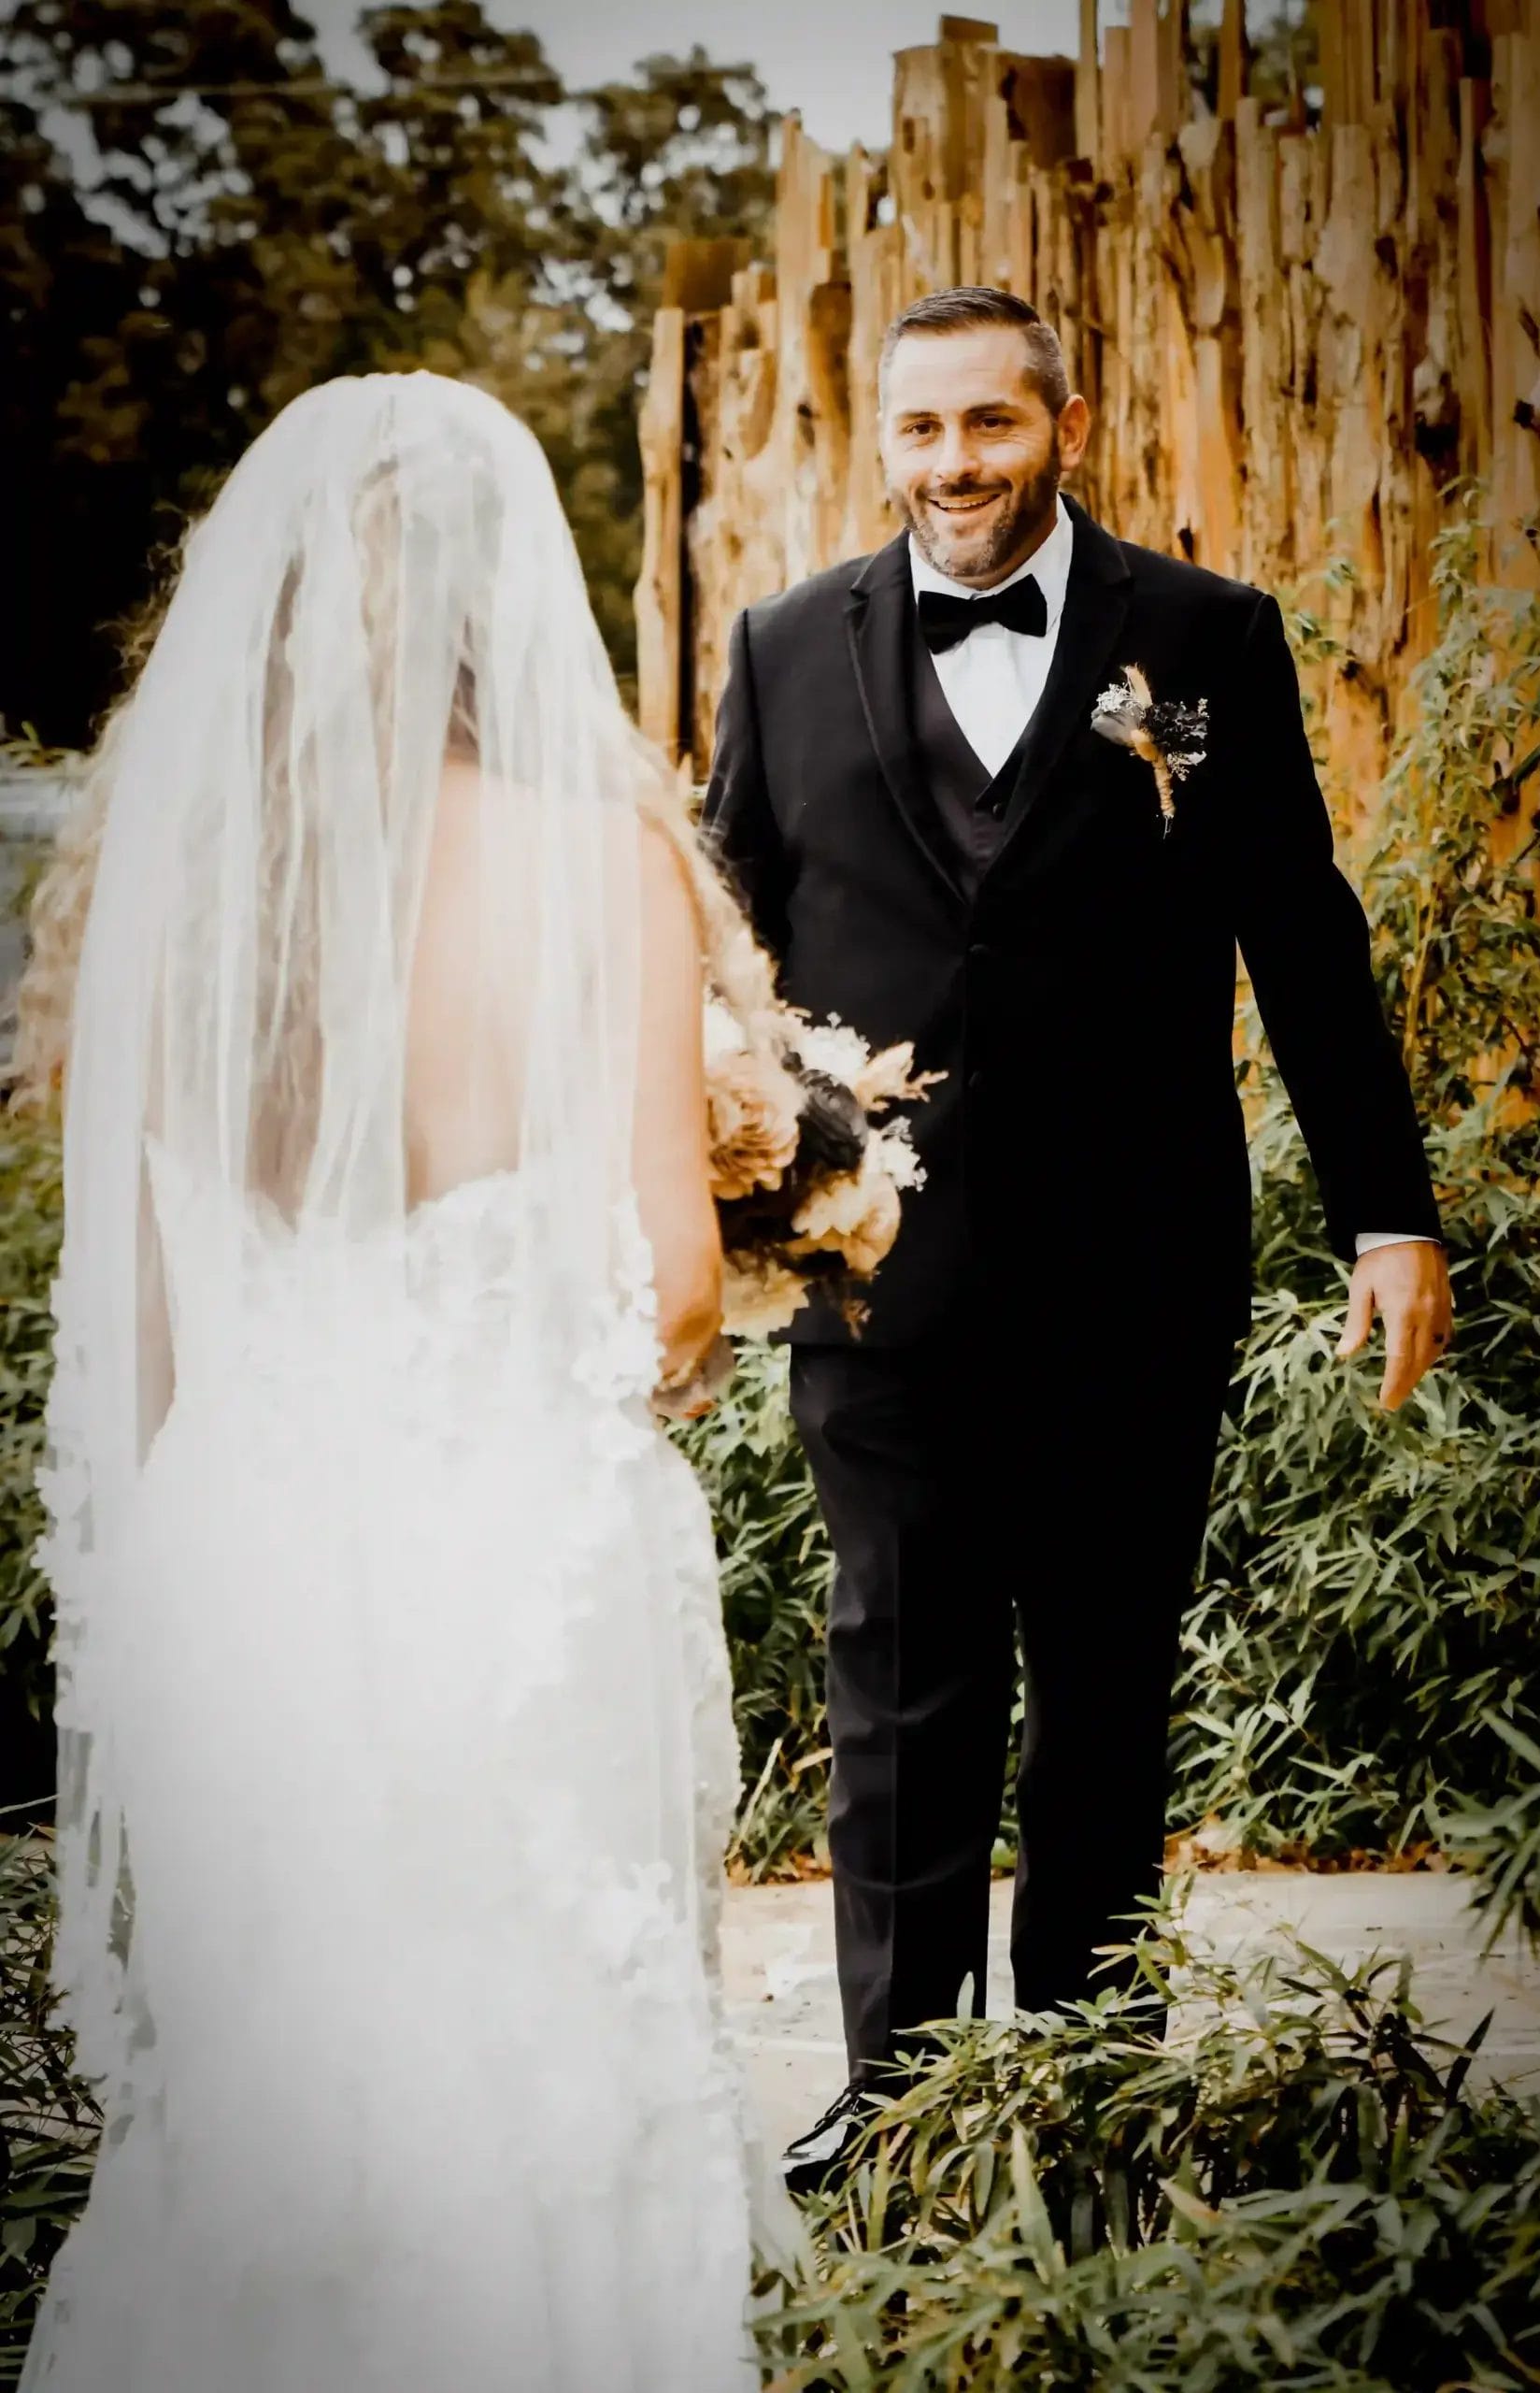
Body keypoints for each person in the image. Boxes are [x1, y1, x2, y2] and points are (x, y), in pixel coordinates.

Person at [16, 371, 766, 2390]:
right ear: (499, 604)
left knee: (278, 2097)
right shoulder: (594, 858)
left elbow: (149, 1336)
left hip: (245, 1551)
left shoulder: (180, 892)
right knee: (534, 2063)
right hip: (517, 1558)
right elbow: (667, 1290)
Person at [702, 285, 1454, 2195]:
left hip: (1134, 1268)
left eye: (988, 423)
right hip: (875, 1271)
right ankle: (898, 2096)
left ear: (1066, 421)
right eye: (920, 428)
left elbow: (1298, 928)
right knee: (894, 1693)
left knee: (1108, 1694)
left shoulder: (1192, 643)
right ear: (883, 438)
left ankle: (1095, 2089)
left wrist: (1387, 1207)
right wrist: (730, 1198)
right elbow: (721, 954)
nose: (953, 463)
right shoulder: (786, 646)